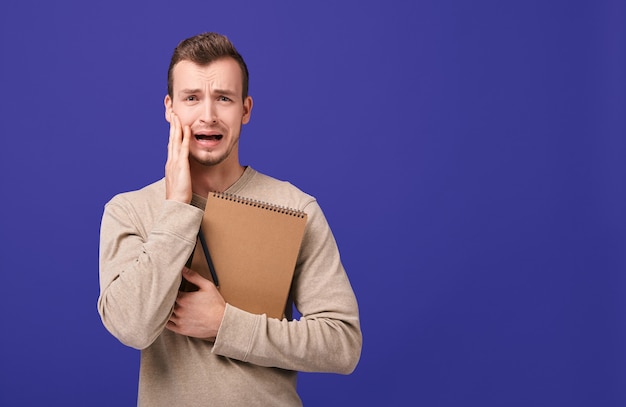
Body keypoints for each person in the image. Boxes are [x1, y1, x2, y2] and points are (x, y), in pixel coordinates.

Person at [97, 32, 362, 406]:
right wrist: (176, 207)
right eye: (192, 98)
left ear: (245, 109)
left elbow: (342, 344)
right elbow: (131, 326)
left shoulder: (296, 206)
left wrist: (226, 324)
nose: (208, 115)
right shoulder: (129, 210)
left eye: (223, 98)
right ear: (170, 109)